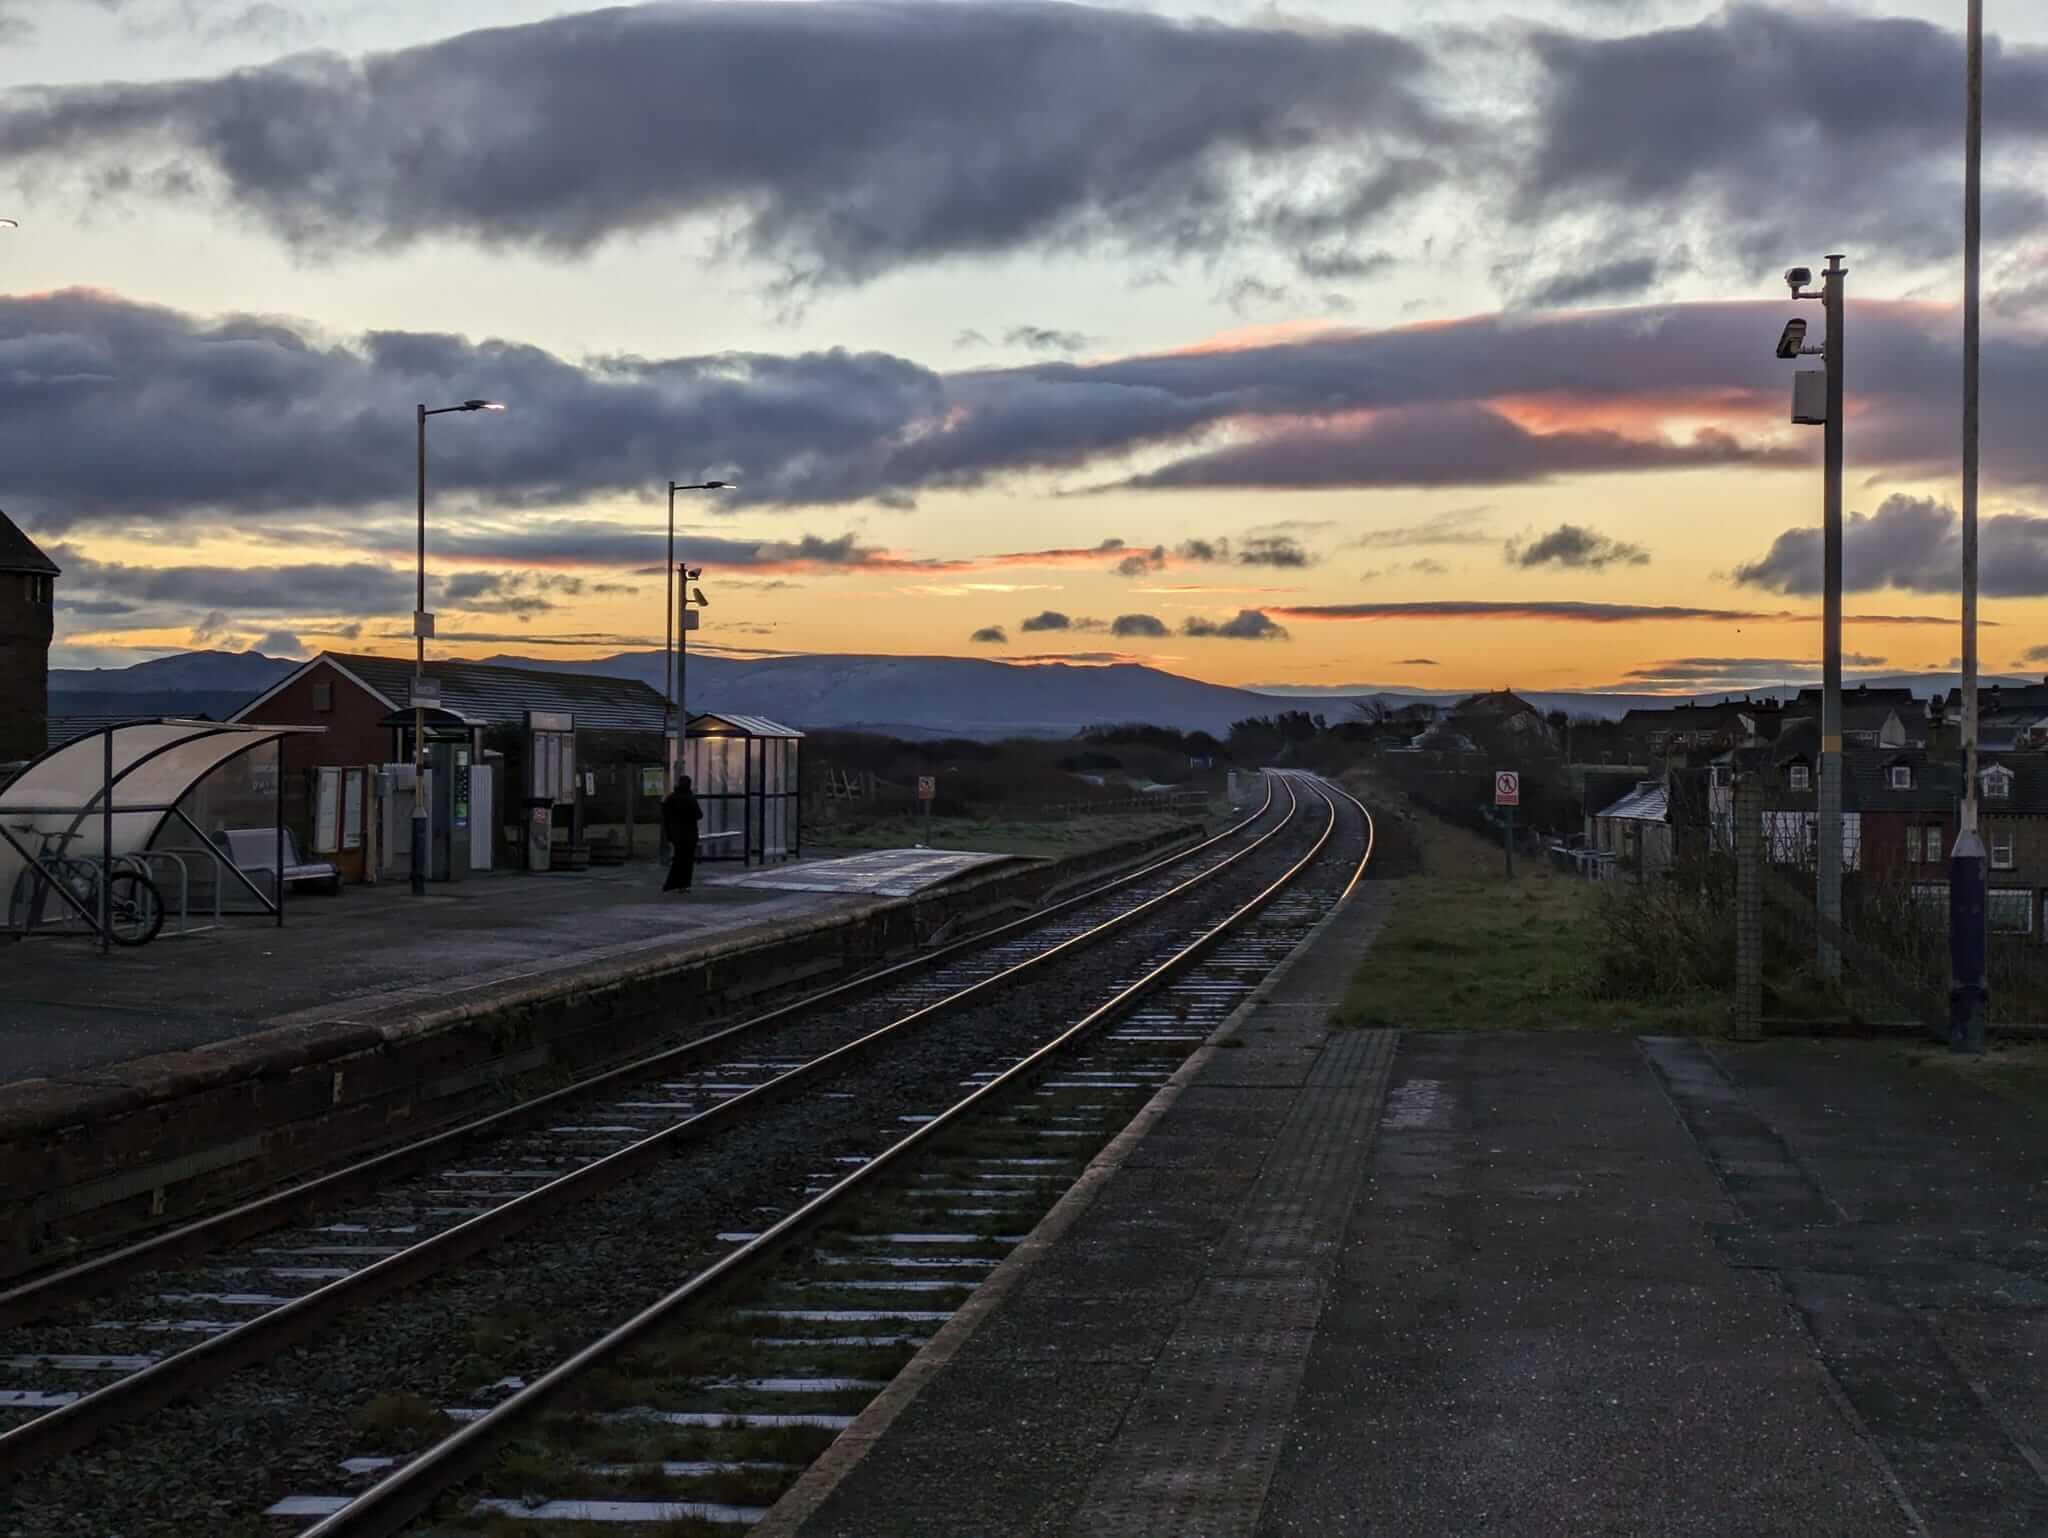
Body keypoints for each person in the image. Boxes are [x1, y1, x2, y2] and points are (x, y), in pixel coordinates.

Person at [661, 775, 702, 893]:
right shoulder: (690, 798)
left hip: (676, 835)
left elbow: (665, 815)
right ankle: (684, 885)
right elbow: (699, 815)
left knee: (678, 859)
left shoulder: (671, 798)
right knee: (688, 861)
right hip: (690, 835)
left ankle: (671, 883)